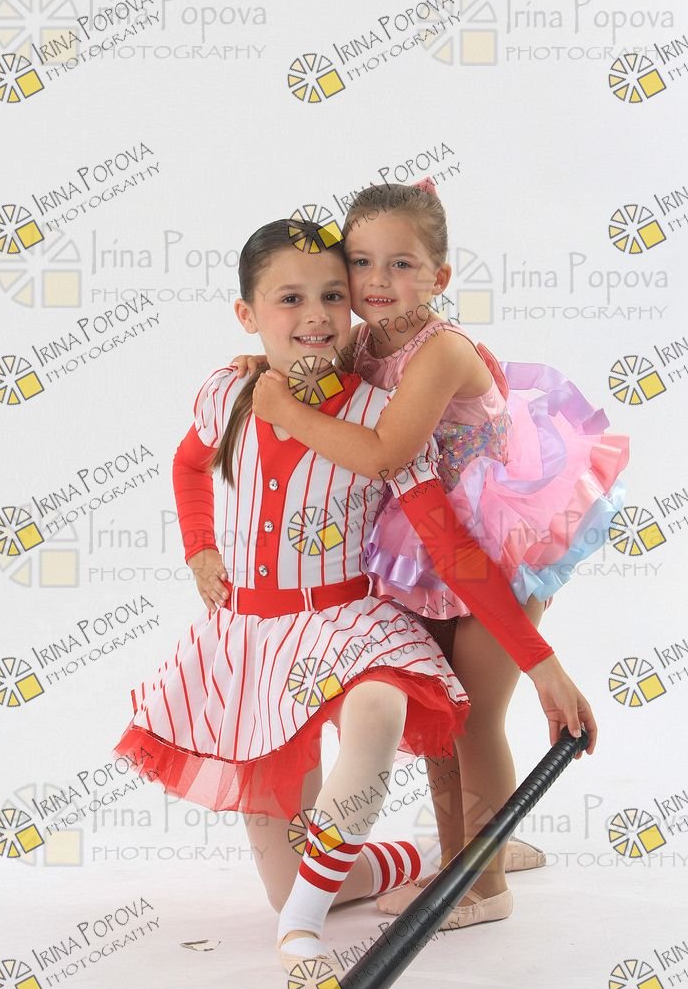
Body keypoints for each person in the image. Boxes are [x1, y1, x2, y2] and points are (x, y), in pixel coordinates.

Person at [113, 216, 595, 989]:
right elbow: (189, 461)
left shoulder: (383, 411)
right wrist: (199, 546)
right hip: (254, 643)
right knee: (293, 879)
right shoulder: (229, 391)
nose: (316, 315)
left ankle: (317, 927)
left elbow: (451, 547)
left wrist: (544, 666)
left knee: (392, 709)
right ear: (247, 314)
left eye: (333, 296)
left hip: (349, 623)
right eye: (290, 299)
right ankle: (435, 855)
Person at [233, 178, 627, 929]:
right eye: (362, 263)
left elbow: (385, 452)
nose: (379, 280)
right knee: (443, 718)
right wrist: (264, 368)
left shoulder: (440, 350)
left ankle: (484, 887)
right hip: (423, 541)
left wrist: (282, 407)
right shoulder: (362, 342)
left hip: (493, 544)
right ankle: (470, 853)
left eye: (403, 264)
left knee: (475, 719)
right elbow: (318, 380)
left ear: (439, 276)